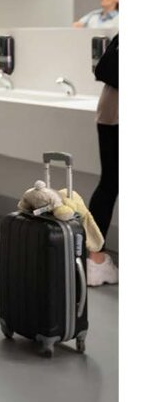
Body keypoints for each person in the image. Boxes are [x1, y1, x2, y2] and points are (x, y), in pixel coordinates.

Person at [87, 32, 118, 285]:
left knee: (108, 184)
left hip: (109, 114)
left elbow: (102, 69)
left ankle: (93, 259)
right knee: (109, 184)